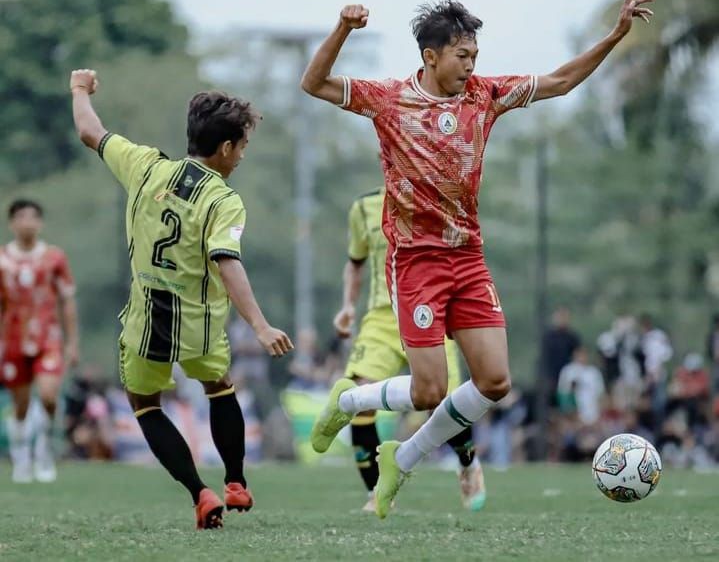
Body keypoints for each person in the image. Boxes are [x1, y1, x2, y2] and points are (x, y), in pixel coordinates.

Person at [302, 0, 653, 518]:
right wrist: (343, 30)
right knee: (428, 391)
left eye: (475, 55)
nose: (472, 65)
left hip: (467, 258)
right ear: (431, 56)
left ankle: (405, 458)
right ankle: (347, 400)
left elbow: (559, 82)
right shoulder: (389, 100)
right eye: (462, 55)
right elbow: (314, 83)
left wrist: (615, 36)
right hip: (416, 263)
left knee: (494, 382)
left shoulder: (484, 96)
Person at [69, 69, 293, 529]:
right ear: (227, 148)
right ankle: (234, 480)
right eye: (244, 145)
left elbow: (90, 130)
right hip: (200, 323)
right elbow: (227, 260)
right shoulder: (223, 200)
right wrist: (260, 325)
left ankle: (200, 493)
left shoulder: (145, 165)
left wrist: (79, 89)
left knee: (145, 403)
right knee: (219, 386)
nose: (243, 155)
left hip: (145, 319)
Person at [334, 185, 485, 512]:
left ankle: (468, 464)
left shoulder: (436, 198)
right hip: (382, 317)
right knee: (358, 398)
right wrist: (347, 305)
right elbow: (355, 262)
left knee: (444, 400)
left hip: (429, 310)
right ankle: (377, 491)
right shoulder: (363, 207)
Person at [0, 199, 80, 483]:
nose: (27, 223)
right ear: (12, 223)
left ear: (40, 222)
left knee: (48, 396)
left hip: (48, 339)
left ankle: (44, 449)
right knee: (20, 406)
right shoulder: (2, 260)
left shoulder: (54, 258)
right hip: (12, 341)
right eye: (21, 217)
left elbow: (67, 301)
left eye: (33, 217)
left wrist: (72, 343)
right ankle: (21, 455)